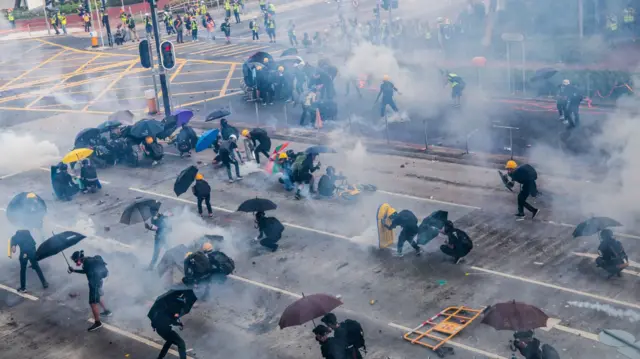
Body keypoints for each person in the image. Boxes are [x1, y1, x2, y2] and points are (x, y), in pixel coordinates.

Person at [68, 250, 113, 332]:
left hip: (95, 284)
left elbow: (89, 273)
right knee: (98, 297)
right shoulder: (87, 260)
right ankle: (107, 312)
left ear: (78, 259)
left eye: (75, 261)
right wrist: (74, 270)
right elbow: (86, 271)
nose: (75, 262)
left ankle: (97, 323)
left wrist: (93, 286)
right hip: (98, 282)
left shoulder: (87, 263)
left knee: (92, 303)